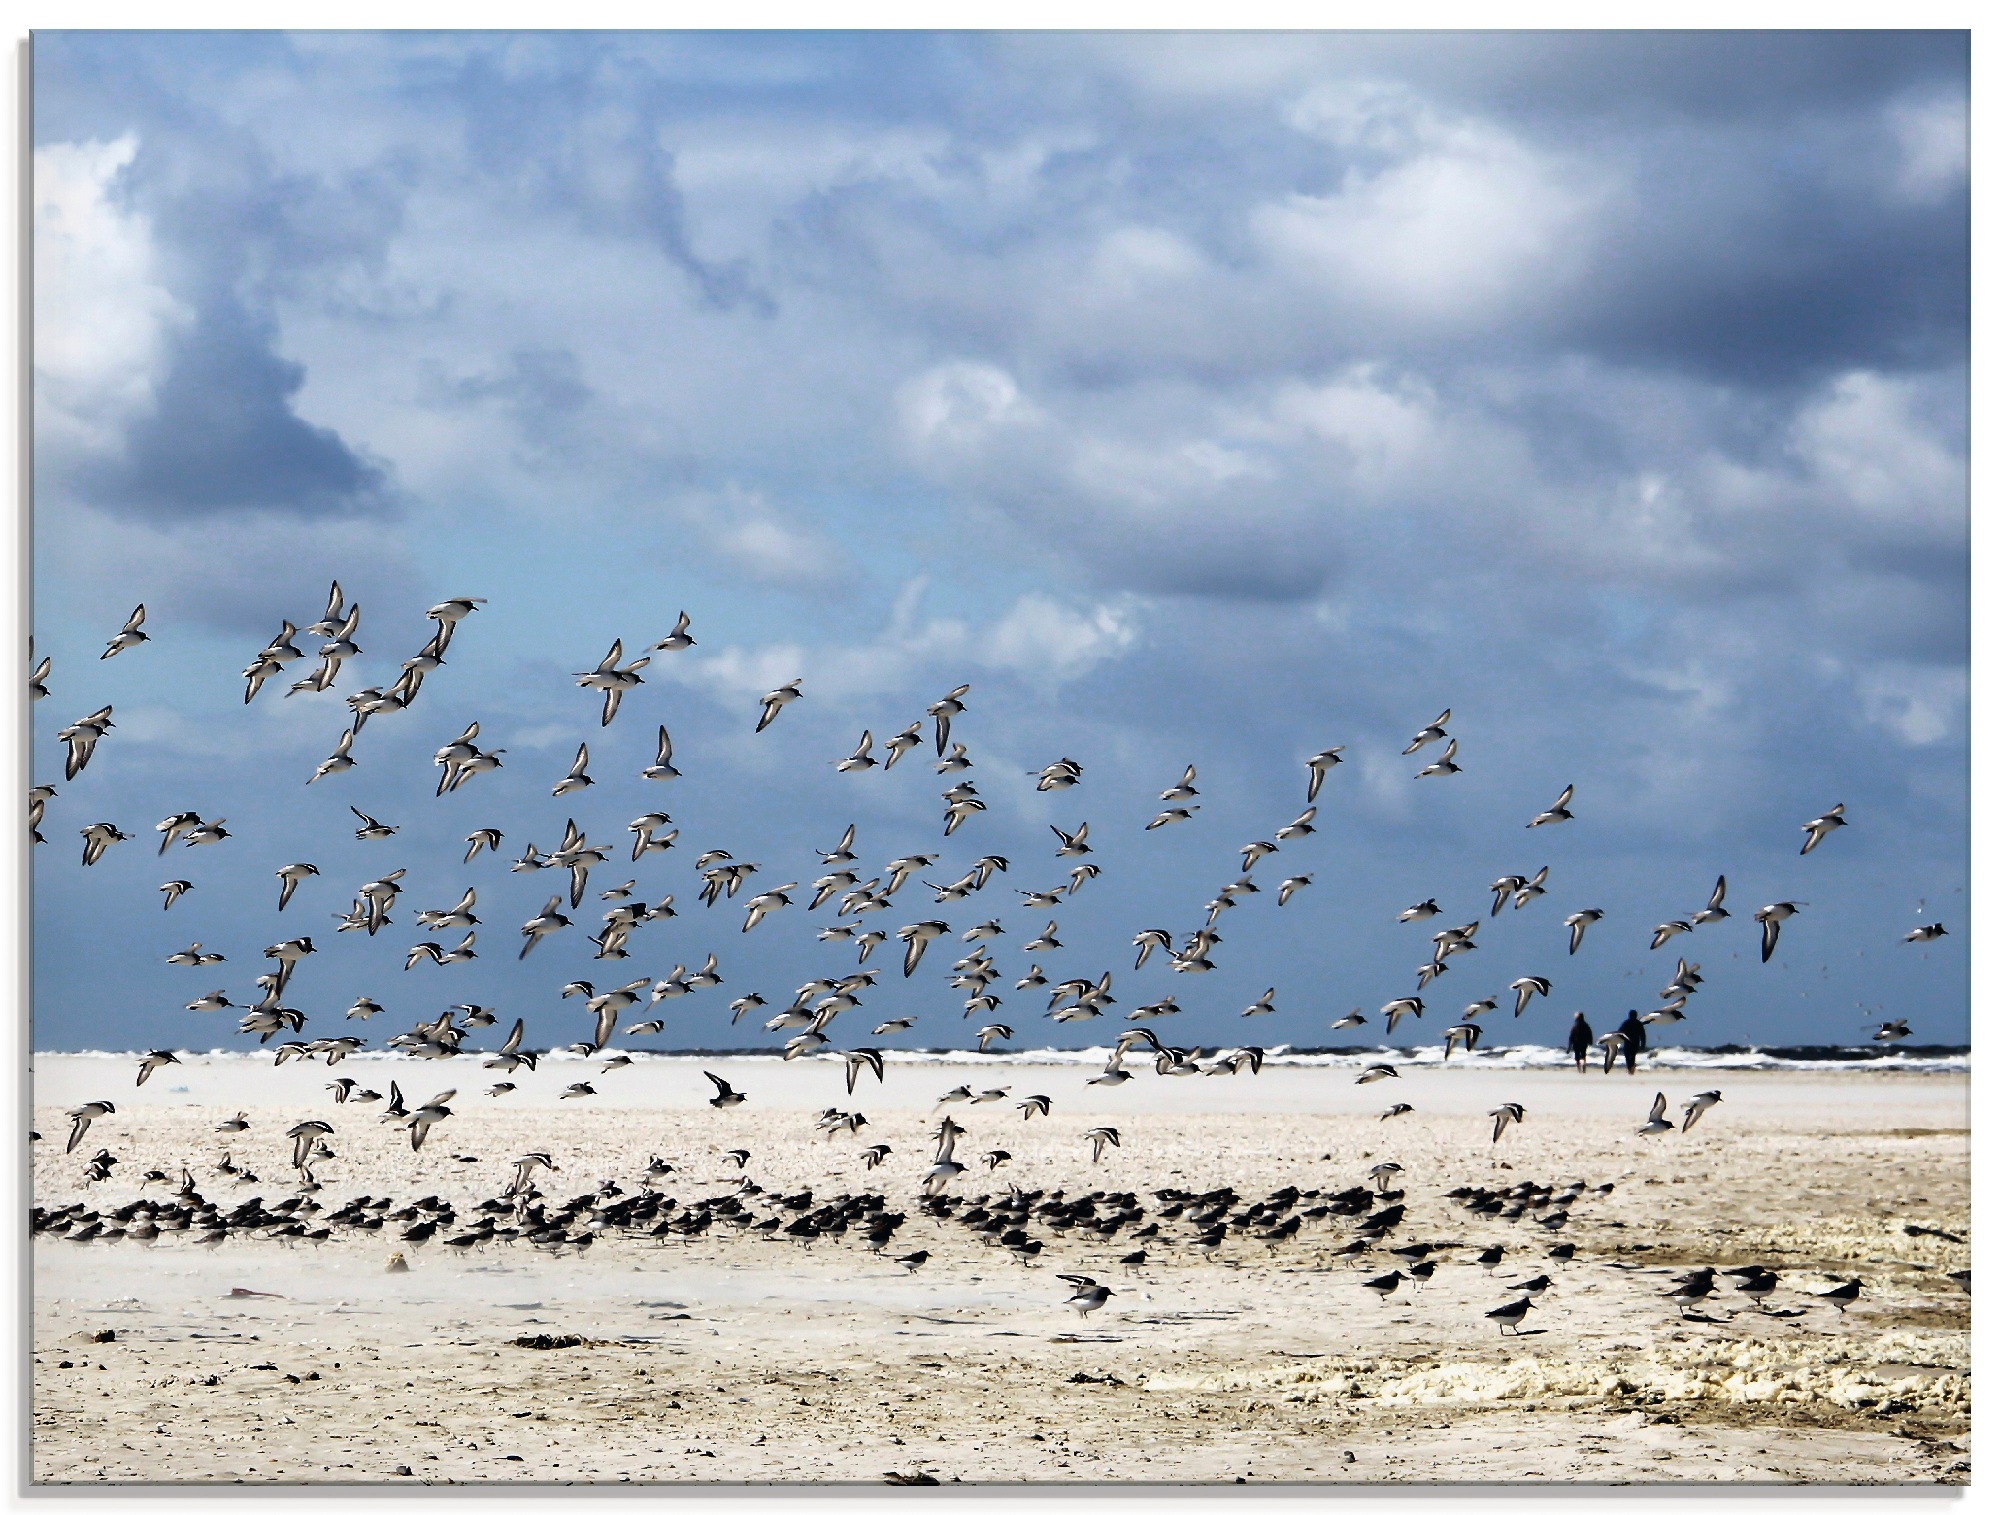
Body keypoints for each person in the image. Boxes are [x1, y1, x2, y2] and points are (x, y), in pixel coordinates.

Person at [1614, 1009, 1647, 1075]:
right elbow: (1642, 1035)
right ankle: (1631, 1069)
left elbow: (1620, 1032)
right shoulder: (1638, 1023)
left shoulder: (1626, 1023)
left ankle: (1630, 1069)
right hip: (1635, 1042)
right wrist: (1643, 1044)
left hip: (1628, 1042)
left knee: (1627, 1055)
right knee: (1632, 1056)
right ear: (1636, 1015)